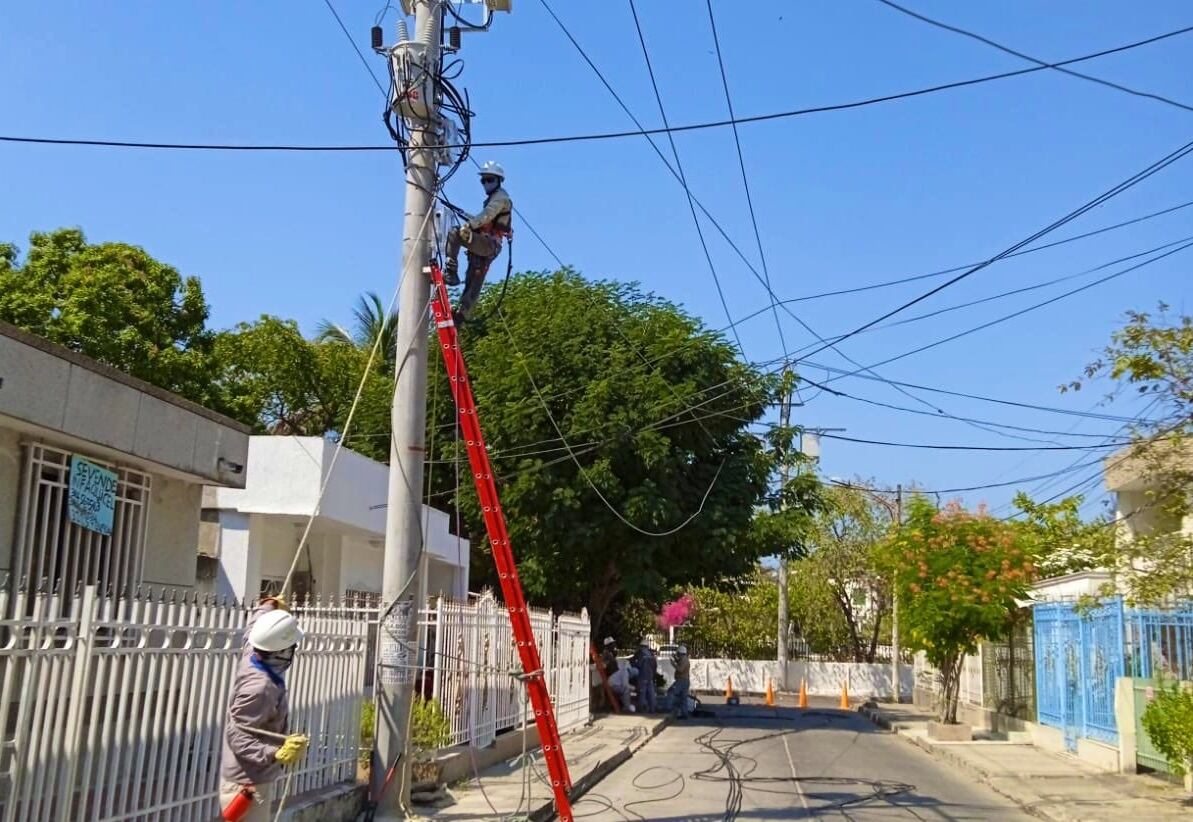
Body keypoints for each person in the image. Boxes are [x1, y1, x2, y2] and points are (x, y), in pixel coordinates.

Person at [220, 596, 309, 822]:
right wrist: (275, 753)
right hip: (246, 785)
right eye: (291, 647)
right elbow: (237, 736)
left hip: (251, 779)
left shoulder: (255, 652)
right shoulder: (261, 688)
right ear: (281, 652)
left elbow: (253, 628)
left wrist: (269, 604)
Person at [443, 160, 512, 326]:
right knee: (473, 278)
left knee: (456, 234)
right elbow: (485, 220)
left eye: (490, 180)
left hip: (490, 245)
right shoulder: (493, 198)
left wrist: (470, 225)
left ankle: (451, 273)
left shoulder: (501, 198)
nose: (486, 184)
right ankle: (461, 316)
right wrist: (472, 223)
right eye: (483, 180)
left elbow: (487, 215)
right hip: (484, 242)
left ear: (499, 180)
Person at [630, 639, 657, 713]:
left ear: (641, 646)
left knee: (642, 693)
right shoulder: (651, 655)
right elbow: (654, 666)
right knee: (651, 694)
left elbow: (639, 664)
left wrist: (633, 663)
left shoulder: (641, 654)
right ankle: (652, 709)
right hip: (650, 677)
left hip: (642, 677)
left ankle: (642, 710)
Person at [671, 645, 691, 720]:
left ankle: (668, 709)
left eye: (678, 653)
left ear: (680, 653)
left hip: (681, 681)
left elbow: (680, 669)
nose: (677, 654)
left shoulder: (684, 660)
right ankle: (684, 713)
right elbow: (679, 662)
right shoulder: (684, 659)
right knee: (683, 698)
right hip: (684, 681)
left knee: (671, 693)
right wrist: (675, 659)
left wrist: (673, 664)